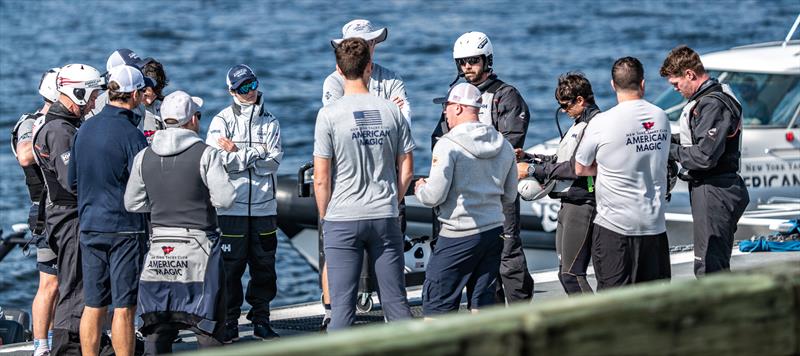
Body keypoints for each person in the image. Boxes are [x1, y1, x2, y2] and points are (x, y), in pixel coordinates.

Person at [313, 37, 415, 330]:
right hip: (384, 214)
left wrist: (326, 217)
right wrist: (393, 200)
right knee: (396, 305)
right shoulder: (392, 110)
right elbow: (407, 169)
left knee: (342, 311)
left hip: (343, 218)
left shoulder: (328, 115)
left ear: (339, 70)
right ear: (369, 67)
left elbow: (321, 178)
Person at [125, 91, 235, 354]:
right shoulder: (205, 154)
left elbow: (131, 203)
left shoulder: (144, 157)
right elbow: (226, 198)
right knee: (207, 326)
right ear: (192, 122)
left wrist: (160, 204)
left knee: (157, 325)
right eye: (197, 115)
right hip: (199, 248)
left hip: (160, 247)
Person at [431, 31, 533, 304]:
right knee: (481, 265)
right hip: (465, 193)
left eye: (473, 61)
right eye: (462, 62)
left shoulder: (506, 95)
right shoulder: (456, 97)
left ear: (487, 60)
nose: (467, 67)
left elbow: (511, 144)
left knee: (509, 254)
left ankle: (523, 314)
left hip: (498, 190)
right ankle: (492, 314)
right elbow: (438, 138)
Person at [415, 83, 516, 316]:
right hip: (493, 232)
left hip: (458, 235)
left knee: (436, 307)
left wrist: (421, 188)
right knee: (481, 306)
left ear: (459, 108)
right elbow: (510, 195)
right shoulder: (504, 144)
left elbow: (433, 196)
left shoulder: (447, 145)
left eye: (447, 106)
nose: (444, 112)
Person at [69, 65, 150, 356]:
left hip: (90, 225)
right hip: (125, 230)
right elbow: (144, 187)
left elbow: (72, 182)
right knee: (124, 307)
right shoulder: (133, 136)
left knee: (93, 305)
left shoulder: (84, 129)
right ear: (135, 95)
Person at [574, 57, 672, 290]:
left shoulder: (602, 122)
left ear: (612, 85)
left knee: (614, 306)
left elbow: (580, 167)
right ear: (643, 84)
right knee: (655, 305)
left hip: (615, 229)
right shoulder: (661, 117)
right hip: (654, 228)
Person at [205, 64, 283, 342]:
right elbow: (217, 160)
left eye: (251, 85)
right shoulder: (221, 121)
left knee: (265, 266)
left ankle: (261, 319)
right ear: (231, 91)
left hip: (264, 208)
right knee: (230, 268)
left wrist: (239, 152)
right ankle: (230, 321)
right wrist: (256, 153)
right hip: (231, 209)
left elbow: (273, 163)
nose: (249, 92)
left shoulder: (271, 121)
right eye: (242, 88)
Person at [33, 63, 104, 355]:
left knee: (78, 283)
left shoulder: (62, 126)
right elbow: (72, 180)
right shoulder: (60, 131)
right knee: (74, 285)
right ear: (77, 92)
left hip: (66, 215)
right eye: (91, 96)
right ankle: (68, 346)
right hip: (70, 217)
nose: (93, 103)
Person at [659, 45, 749, 277]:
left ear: (690, 74)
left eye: (676, 84)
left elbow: (704, 156)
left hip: (716, 190)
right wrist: (661, 139)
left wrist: (667, 150)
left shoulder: (713, 104)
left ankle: (722, 311)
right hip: (711, 189)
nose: (676, 89)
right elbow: (695, 139)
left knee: (709, 267)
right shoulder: (708, 99)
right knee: (711, 263)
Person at [517, 73, 600, 295]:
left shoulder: (593, 125)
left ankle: (598, 322)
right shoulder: (579, 124)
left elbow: (575, 168)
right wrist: (529, 157)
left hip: (583, 204)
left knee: (571, 275)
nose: (563, 110)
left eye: (566, 105)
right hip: (569, 203)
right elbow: (560, 161)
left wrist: (533, 170)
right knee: (565, 273)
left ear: (581, 100)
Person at [12, 67, 60, 356]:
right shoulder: (31, 122)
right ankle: (42, 345)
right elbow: (25, 154)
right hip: (45, 212)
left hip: (72, 210)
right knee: (49, 283)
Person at [323, 19, 410, 122]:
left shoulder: (393, 79)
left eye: (366, 43)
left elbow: (405, 121)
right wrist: (387, 110)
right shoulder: (333, 81)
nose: (361, 49)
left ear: (374, 43)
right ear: (345, 48)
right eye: (355, 45)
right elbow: (334, 121)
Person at [141, 59, 170, 142]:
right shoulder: (131, 110)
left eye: (155, 94)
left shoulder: (166, 106)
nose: (149, 101)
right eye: (145, 95)